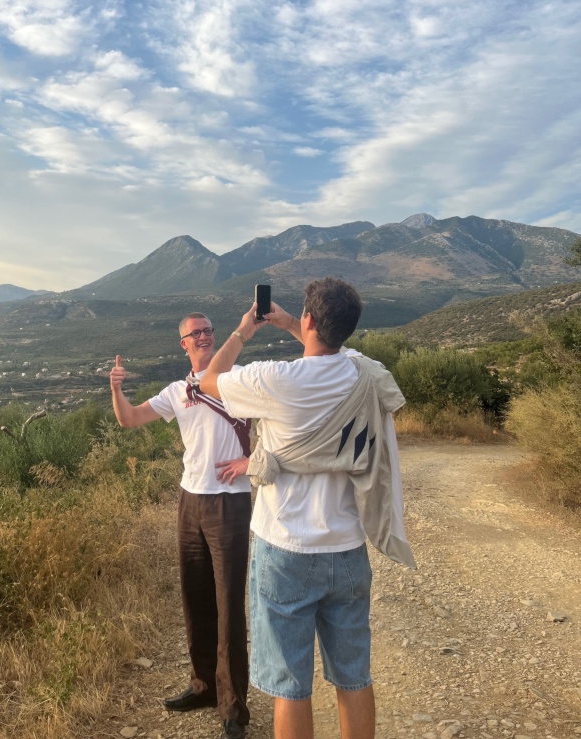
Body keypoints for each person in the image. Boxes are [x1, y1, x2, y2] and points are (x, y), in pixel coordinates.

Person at [198, 278, 414, 739]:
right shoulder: (363, 373)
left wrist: (242, 332)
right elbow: (333, 348)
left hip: (285, 550)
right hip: (347, 548)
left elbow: (210, 381)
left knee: (290, 687)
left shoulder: (275, 379)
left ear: (310, 320)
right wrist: (295, 323)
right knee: (354, 676)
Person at [110, 312, 252, 739]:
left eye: (210, 330)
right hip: (190, 500)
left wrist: (254, 459)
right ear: (184, 345)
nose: (206, 336)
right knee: (195, 599)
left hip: (230, 500)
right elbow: (129, 420)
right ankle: (203, 686)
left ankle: (233, 708)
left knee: (228, 605)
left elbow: (281, 415)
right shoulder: (176, 391)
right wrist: (115, 389)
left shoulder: (240, 377)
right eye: (197, 333)